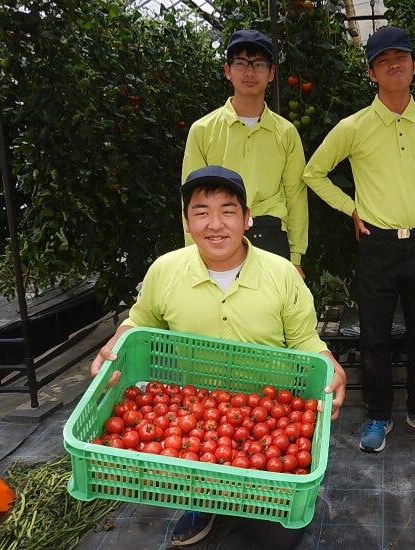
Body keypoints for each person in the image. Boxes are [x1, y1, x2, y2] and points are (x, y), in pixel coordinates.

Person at [90, 166, 346, 548]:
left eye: (228, 210)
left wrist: (330, 363)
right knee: (182, 472)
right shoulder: (166, 271)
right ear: (187, 222)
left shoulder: (282, 274)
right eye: (201, 211)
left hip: (269, 414)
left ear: (247, 218)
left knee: (279, 539)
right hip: (192, 411)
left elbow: (305, 338)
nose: (215, 224)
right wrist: (116, 346)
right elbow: (139, 322)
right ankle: (205, 500)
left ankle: (236, 495)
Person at [303, 26, 415, 453]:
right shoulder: (354, 126)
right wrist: (351, 209)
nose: (394, 65)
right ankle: (378, 415)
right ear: (372, 74)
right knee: (373, 336)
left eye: (402, 57)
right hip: (377, 244)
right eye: (383, 60)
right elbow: (313, 173)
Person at [182, 29, 308, 277]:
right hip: (218, 235)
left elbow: (295, 196)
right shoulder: (203, 130)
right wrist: (193, 254)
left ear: (271, 73)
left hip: (270, 236)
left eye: (259, 64)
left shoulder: (286, 132)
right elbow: (190, 199)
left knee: (270, 314)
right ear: (227, 70)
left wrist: (295, 257)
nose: (250, 72)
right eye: (241, 63)